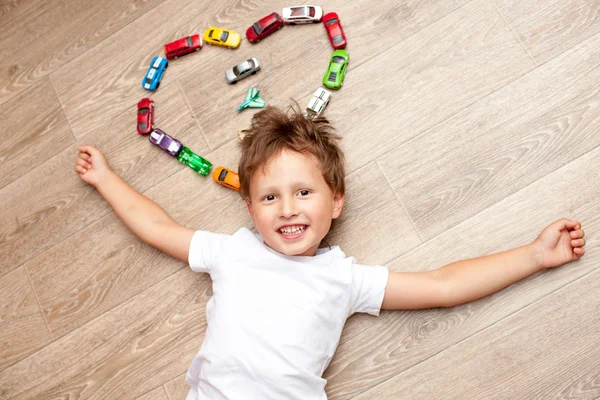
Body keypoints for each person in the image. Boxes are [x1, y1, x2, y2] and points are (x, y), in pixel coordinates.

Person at [74, 106, 586, 400]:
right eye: (269, 198)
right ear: (251, 211)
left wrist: (533, 256)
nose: (286, 209)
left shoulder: (343, 278)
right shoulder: (232, 251)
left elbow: (442, 286)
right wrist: (106, 179)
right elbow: (157, 226)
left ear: (336, 201)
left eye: (303, 192)